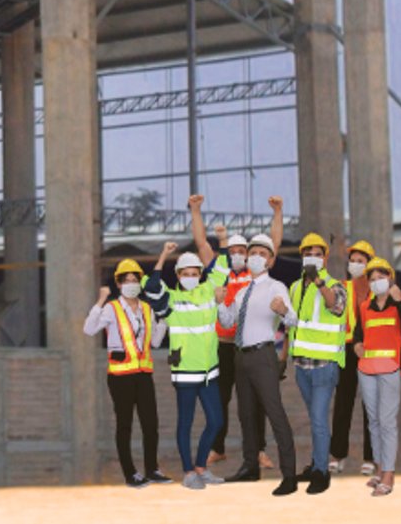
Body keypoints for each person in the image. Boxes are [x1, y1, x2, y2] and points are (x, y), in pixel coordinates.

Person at [188, 193, 282, 469]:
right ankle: (218, 448)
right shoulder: (219, 270)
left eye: (244, 251)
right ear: (228, 252)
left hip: (247, 346)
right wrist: (195, 210)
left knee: (254, 401)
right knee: (219, 399)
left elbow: (274, 244)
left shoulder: (256, 273)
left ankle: (260, 450)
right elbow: (201, 243)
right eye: (235, 251)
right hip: (221, 346)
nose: (239, 255)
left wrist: (277, 213)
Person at [216, 233, 301, 495]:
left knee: (275, 413)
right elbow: (229, 322)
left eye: (262, 254)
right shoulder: (241, 292)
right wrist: (220, 302)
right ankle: (250, 466)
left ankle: (289, 476)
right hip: (240, 356)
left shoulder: (276, 288)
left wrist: (284, 311)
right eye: (252, 253)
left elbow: (293, 321)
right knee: (246, 414)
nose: (255, 257)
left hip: (264, 355)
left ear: (270, 260)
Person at [85, 258, 170, 488]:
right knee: (125, 425)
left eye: (135, 279)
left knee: (151, 423)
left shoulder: (146, 308)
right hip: (120, 377)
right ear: (119, 284)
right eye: (127, 280)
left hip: (143, 375)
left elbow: (155, 342)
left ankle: (152, 470)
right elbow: (89, 329)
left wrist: (162, 321)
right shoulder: (111, 309)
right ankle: (130, 473)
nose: (132, 283)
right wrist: (101, 299)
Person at [149, 241, 222, 489]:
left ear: (200, 275)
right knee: (186, 423)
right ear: (178, 276)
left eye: (194, 273)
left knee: (216, 421)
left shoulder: (208, 292)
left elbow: (220, 266)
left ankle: (201, 466)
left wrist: (221, 240)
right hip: (185, 373)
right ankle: (188, 471)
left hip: (209, 371)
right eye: (185, 274)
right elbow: (150, 287)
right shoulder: (170, 299)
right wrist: (164, 254)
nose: (190, 277)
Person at [287, 232, 350, 494]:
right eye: (307, 253)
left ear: (325, 257)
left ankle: (322, 473)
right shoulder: (294, 287)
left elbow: (335, 307)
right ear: (301, 256)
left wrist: (319, 281)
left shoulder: (335, 285)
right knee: (316, 421)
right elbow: (293, 326)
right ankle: (316, 464)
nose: (312, 257)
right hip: (302, 365)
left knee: (319, 419)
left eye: (317, 253)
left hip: (324, 366)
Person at [349, 257, 401, 497]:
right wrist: (357, 345)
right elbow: (358, 333)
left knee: (387, 423)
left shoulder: (399, 304)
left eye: (381, 278)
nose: (377, 282)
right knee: (374, 421)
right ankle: (379, 469)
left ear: (391, 278)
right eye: (373, 279)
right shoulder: (365, 306)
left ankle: (389, 473)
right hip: (367, 368)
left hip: (389, 368)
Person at [328, 239, 378, 477]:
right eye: (353, 260)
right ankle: (337, 455)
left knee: (371, 405)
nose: (355, 264)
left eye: (361, 261)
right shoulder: (342, 287)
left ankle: (370, 458)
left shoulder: (377, 290)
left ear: (370, 264)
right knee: (343, 404)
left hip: (370, 351)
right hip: (347, 350)